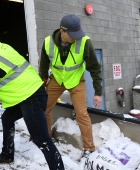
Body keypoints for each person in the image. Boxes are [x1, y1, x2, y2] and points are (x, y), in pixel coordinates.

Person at [0, 24, 64, 170]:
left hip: (31, 96)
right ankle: (7, 155)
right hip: (31, 93)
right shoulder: (4, 48)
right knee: (7, 119)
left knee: (42, 139)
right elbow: (11, 76)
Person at [39, 14, 102, 159]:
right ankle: (47, 138)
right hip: (56, 80)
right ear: (62, 31)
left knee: (81, 113)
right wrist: (42, 85)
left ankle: (89, 148)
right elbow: (43, 67)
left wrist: (98, 91)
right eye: (73, 35)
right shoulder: (48, 43)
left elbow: (94, 68)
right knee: (43, 108)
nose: (76, 37)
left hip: (75, 80)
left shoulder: (84, 42)